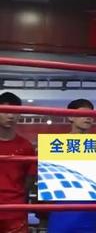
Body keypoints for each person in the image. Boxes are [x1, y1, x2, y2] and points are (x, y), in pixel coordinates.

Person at [47, 99, 96, 233]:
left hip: (89, 208)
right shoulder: (55, 144)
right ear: (70, 117)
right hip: (61, 207)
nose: (88, 118)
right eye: (83, 114)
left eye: (91, 115)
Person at [0, 92, 36, 233]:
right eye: (6, 111)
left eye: (15, 112)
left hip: (15, 211)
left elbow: (30, 179)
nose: (11, 116)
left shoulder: (26, 146)